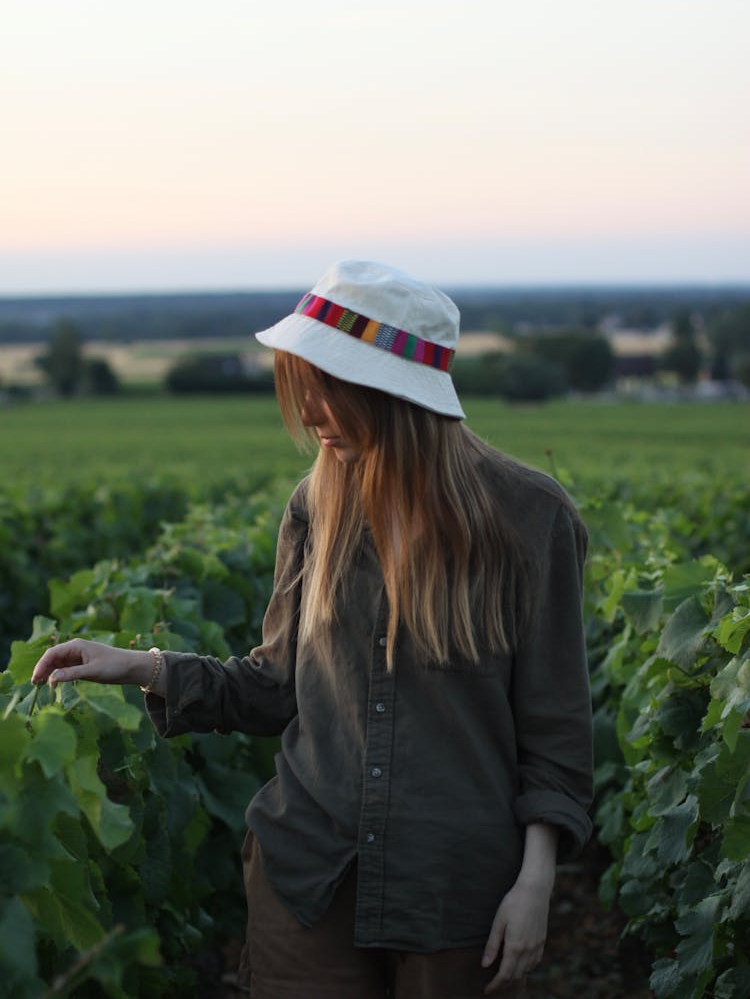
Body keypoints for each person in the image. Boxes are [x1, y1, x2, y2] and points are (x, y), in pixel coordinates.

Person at [32, 260, 593, 999]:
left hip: (457, 894)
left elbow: (555, 734)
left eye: (331, 390)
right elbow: (274, 687)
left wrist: (536, 881)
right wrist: (142, 665)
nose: (313, 411)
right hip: (308, 875)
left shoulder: (532, 519)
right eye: (304, 387)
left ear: (394, 396)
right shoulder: (315, 507)